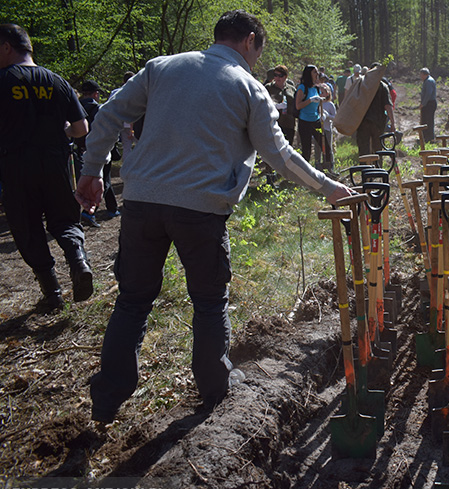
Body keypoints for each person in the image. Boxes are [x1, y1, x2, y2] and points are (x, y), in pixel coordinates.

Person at [75, 10, 353, 424]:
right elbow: (280, 156)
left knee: (132, 301)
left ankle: (107, 399)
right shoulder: (248, 87)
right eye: (258, 51)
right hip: (201, 211)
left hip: (142, 203)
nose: (256, 59)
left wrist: (91, 170)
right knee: (208, 301)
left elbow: (108, 114)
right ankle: (214, 387)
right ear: (249, 42)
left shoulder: (162, 67)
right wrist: (329, 187)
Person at [0, 23, 93, 309]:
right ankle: (78, 260)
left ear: (6, 47)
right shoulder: (57, 81)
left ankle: (52, 293)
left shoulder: (2, 80)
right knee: (65, 219)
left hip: (16, 167)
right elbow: (81, 128)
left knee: (27, 227)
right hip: (56, 164)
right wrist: (60, 132)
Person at [74, 80, 120, 227]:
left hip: (80, 151)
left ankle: (110, 209)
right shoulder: (99, 109)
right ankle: (90, 212)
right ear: (96, 94)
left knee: (85, 180)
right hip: (100, 151)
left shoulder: (76, 108)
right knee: (103, 180)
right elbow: (108, 131)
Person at [356, 62, 396, 156]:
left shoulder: (362, 84)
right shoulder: (382, 86)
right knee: (377, 150)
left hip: (364, 121)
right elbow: (388, 106)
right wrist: (393, 124)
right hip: (376, 122)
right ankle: (376, 168)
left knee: (364, 150)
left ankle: (366, 169)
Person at [295, 64, 326, 164]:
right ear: (309, 74)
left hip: (315, 120)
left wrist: (322, 114)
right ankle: (305, 173)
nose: (317, 74)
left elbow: (321, 101)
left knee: (325, 145)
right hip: (304, 122)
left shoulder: (316, 88)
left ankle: (329, 168)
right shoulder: (302, 88)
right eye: (315, 72)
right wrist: (310, 100)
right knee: (306, 150)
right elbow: (298, 106)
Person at [418, 67, 437, 144]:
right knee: (426, 120)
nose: (420, 76)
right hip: (428, 103)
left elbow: (428, 94)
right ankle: (426, 137)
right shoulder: (428, 80)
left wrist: (423, 104)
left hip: (429, 104)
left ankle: (428, 138)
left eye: (421, 74)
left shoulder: (429, 81)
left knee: (427, 121)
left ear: (423, 74)